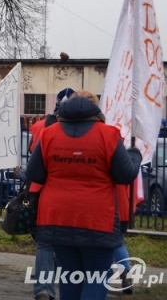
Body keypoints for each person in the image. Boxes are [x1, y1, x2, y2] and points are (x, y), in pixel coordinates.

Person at [25, 90, 142, 300]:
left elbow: (34, 174)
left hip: (57, 217)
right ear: (96, 111)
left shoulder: (49, 135)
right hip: (97, 219)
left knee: (69, 276)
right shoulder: (108, 135)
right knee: (96, 277)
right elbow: (125, 176)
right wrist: (135, 154)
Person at [26, 87, 74, 300]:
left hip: (43, 193)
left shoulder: (40, 128)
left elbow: (32, 166)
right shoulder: (82, 132)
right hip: (72, 197)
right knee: (66, 243)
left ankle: (44, 288)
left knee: (45, 242)